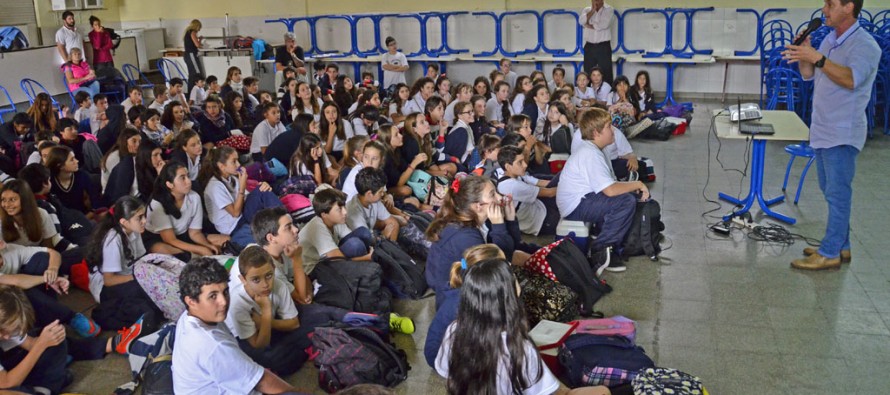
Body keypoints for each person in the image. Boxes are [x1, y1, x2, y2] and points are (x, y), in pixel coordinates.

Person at [782, 0, 880, 270]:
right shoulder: (830, 40)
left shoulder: (865, 45)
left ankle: (829, 252)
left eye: (831, 4)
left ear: (849, 7)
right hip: (823, 128)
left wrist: (817, 57)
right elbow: (810, 76)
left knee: (838, 194)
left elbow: (851, 79)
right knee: (830, 191)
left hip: (842, 131)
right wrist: (805, 56)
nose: (824, 9)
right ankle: (842, 246)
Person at [435, 258, 611, 395]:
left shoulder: (453, 330)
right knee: (603, 391)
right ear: (510, 295)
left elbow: (446, 373)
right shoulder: (519, 348)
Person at [173, 258, 299, 395]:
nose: (223, 302)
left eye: (225, 292)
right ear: (191, 301)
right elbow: (263, 382)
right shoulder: (212, 345)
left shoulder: (188, 317)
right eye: (213, 296)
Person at [0, 285, 143, 395]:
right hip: (6, 380)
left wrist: (45, 340)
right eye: (3, 331)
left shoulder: (8, 320)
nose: (7, 336)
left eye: (11, 331)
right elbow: (6, 383)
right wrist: (40, 346)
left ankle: (113, 344)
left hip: (9, 369)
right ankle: (45, 385)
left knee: (54, 338)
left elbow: (30, 344)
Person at [556, 108, 647, 272]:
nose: (613, 130)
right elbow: (611, 190)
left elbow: (609, 185)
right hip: (575, 206)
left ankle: (604, 238)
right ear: (597, 132)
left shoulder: (597, 149)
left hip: (582, 199)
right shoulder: (590, 154)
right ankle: (600, 249)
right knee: (626, 201)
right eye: (609, 127)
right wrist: (638, 184)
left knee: (627, 195)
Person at [425, 176, 522, 307]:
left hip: (470, 287)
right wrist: (499, 226)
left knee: (523, 261)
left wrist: (510, 219)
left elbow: (511, 250)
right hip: (460, 304)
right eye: (493, 194)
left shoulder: (471, 222)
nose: (499, 198)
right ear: (478, 206)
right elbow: (500, 264)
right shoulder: (466, 236)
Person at [225, 246, 311, 376]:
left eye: (269, 276)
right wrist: (266, 310)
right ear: (243, 279)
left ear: (274, 270)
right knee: (273, 360)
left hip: (269, 326)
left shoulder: (279, 285)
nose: (265, 284)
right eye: (256, 280)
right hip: (244, 339)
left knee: (314, 318)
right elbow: (259, 344)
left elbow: (294, 323)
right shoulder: (237, 302)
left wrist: (266, 321)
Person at [85, 196, 164, 331]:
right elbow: (108, 280)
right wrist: (139, 277)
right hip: (106, 288)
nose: (144, 221)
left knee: (156, 282)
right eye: (139, 218)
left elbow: (140, 258)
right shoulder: (113, 239)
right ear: (124, 222)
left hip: (127, 275)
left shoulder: (134, 230)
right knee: (143, 292)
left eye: (143, 216)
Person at [423, 244, 504, 367]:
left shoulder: (471, 289)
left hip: (450, 350)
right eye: (505, 265)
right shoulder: (464, 301)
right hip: (441, 359)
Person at [199, 147, 281, 249]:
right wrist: (242, 187)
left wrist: (261, 187)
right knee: (262, 240)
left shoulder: (231, 178)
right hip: (234, 227)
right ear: (222, 166)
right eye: (234, 162)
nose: (238, 165)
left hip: (242, 215)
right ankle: (281, 226)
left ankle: (284, 221)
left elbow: (246, 199)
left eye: (237, 160)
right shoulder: (214, 186)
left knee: (263, 191)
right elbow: (235, 213)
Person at [144, 162, 226, 258]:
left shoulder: (194, 197)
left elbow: (195, 233)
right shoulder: (157, 204)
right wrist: (200, 249)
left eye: (188, 176)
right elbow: (170, 240)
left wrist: (208, 245)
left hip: (184, 235)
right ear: (170, 184)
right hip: (161, 239)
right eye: (182, 178)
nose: (189, 181)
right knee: (180, 255)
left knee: (225, 240)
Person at [299, 188, 374, 274]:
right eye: (339, 209)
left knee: (363, 232)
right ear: (324, 214)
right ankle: (366, 273)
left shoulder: (335, 219)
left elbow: (351, 237)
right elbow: (338, 261)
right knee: (355, 244)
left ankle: (368, 266)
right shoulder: (317, 227)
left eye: (344, 206)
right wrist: (367, 258)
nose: (345, 212)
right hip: (315, 269)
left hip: (330, 258)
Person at [250, 207, 311, 305]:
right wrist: (297, 259)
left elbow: (303, 278)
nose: (296, 229)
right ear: (271, 238)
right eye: (288, 227)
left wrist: (309, 294)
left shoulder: (284, 249)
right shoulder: (265, 265)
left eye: (293, 225)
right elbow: (301, 299)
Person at [497, 146, 559, 236]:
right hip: (539, 222)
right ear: (508, 166)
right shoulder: (512, 186)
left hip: (539, 207)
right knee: (570, 218)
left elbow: (542, 183)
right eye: (520, 162)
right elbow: (549, 193)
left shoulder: (518, 175)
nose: (525, 165)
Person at [347, 167, 400, 241]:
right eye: (380, 192)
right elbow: (366, 241)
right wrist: (383, 236)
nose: (383, 194)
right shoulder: (354, 211)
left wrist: (392, 247)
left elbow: (394, 224)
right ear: (369, 194)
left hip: (374, 238)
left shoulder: (374, 201)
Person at [580, 0, 614, 85]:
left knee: (606, 71)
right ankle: (588, 93)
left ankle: (607, 95)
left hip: (603, 46)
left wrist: (588, 24)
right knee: (588, 71)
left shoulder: (609, 9)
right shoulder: (586, 10)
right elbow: (581, 21)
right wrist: (592, 11)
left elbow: (603, 24)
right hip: (589, 46)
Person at [183, 19, 205, 92]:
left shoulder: (188, 32)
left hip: (188, 55)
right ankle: (195, 91)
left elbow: (195, 44)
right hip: (191, 55)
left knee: (192, 74)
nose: (199, 29)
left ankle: (192, 92)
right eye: (199, 27)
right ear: (196, 26)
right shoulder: (192, 32)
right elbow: (197, 45)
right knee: (196, 74)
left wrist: (200, 40)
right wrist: (201, 44)